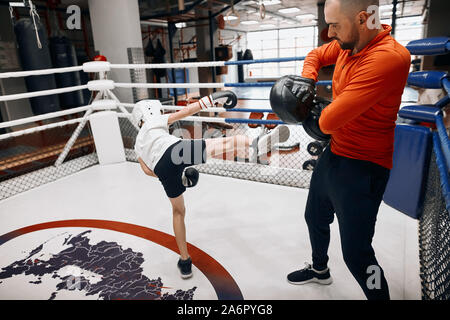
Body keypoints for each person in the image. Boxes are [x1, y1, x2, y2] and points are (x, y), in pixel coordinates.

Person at [277, 0, 411, 300]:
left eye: (335, 25)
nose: (329, 33)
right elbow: (314, 55)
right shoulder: (348, 44)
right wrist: (306, 81)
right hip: (335, 154)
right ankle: (319, 270)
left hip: (364, 168)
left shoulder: (388, 58)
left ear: (363, 19)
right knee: (314, 216)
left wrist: (308, 106)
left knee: (357, 254)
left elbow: (327, 121)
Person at [133, 91, 290, 279]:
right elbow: (187, 111)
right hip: (175, 150)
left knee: (178, 212)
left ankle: (185, 261)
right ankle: (256, 146)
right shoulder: (154, 122)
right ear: (150, 112)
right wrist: (213, 98)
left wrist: (176, 177)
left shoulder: (137, 144)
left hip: (162, 170)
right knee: (228, 143)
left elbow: (147, 171)